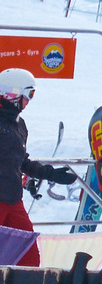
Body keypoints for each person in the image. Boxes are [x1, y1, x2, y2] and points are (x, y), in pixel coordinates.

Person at [0, 69, 81, 271]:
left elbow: (21, 160)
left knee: (27, 252)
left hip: (12, 199)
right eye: (27, 96)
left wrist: (50, 174)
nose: (28, 102)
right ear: (12, 93)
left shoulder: (19, 125)